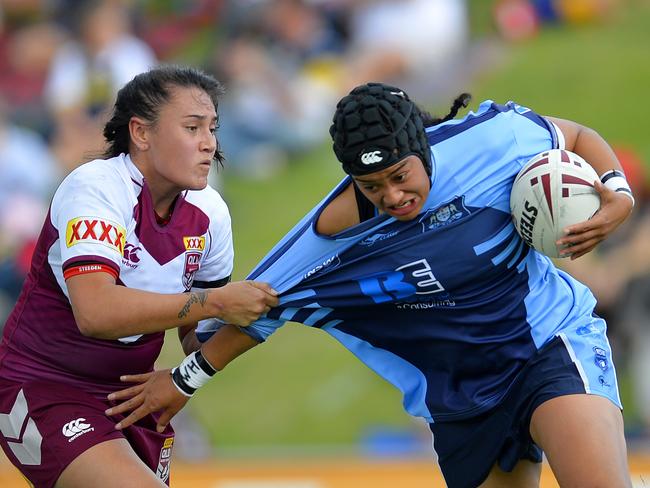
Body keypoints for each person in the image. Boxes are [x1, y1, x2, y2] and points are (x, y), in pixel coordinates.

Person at [106, 82, 635, 487]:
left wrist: (617, 192)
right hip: (460, 397)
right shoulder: (327, 243)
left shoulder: (491, 142)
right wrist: (182, 380)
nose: (393, 196)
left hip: (548, 345)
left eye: (401, 176)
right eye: (371, 186)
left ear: (424, 149)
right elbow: (257, 312)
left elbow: (577, 136)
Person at [0, 65, 278, 488]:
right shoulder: (94, 188)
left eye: (213, 128)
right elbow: (96, 313)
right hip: (42, 388)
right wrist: (219, 302)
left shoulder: (211, 214)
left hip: (130, 400)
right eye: (191, 127)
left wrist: (264, 315)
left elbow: (195, 334)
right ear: (141, 133)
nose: (209, 144)